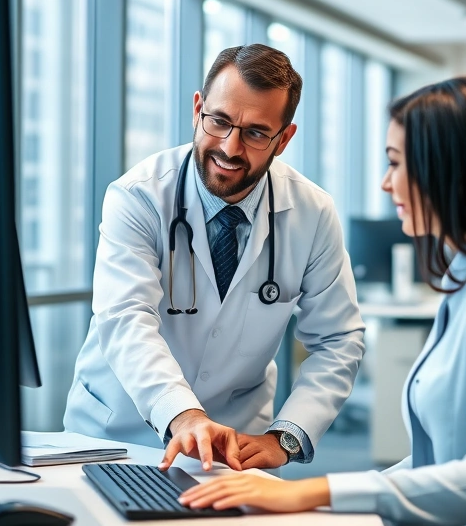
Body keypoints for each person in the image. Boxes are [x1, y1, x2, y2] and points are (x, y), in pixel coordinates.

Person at [178, 77, 466, 525]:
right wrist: (317, 496)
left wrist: (313, 492)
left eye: (397, 164)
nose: (385, 184)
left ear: (449, 169)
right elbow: (440, 465)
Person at [63, 44, 365, 473]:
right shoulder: (140, 196)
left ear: (284, 138)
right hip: (117, 435)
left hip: (234, 448)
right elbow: (126, 315)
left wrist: (287, 434)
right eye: (219, 121)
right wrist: (181, 412)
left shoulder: (312, 213)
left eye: (257, 133)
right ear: (198, 109)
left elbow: (338, 339)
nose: (230, 147)